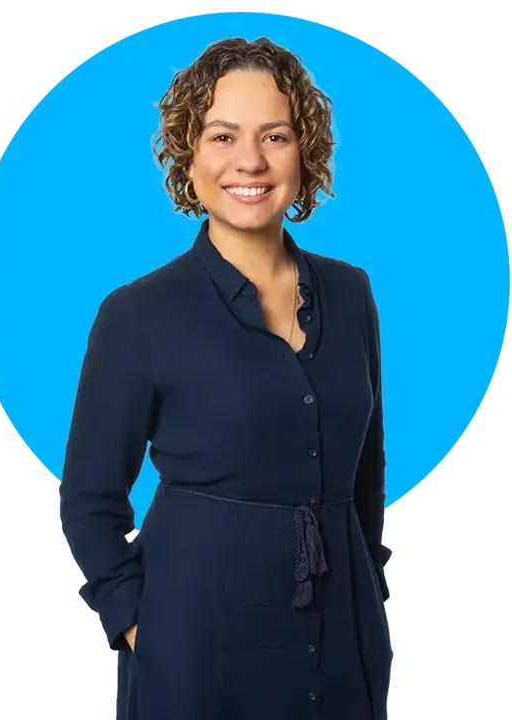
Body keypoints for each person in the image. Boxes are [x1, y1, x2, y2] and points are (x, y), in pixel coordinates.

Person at [57, 36, 392, 720]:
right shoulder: (137, 315)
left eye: (275, 135)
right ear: (189, 154)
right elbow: (90, 498)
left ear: (306, 150)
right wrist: (139, 626)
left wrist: (372, 596)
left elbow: (366, 472)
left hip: (341, 646)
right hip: (196, 649)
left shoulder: (352, 294)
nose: (250, 161)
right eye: (222, 136)